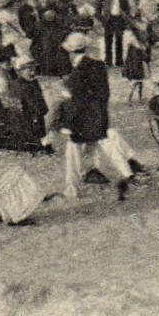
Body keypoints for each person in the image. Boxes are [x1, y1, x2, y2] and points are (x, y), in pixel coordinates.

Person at [56, 33, 132, 200]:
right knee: (95, 147)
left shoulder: (78, 72)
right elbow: (104, 94)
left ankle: (72, 189)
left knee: (73, 155)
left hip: (80, 120)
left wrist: (67, 123)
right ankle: (125, 173)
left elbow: (74, 102)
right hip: (98, 116)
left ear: (71, 52)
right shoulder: (98, 65)